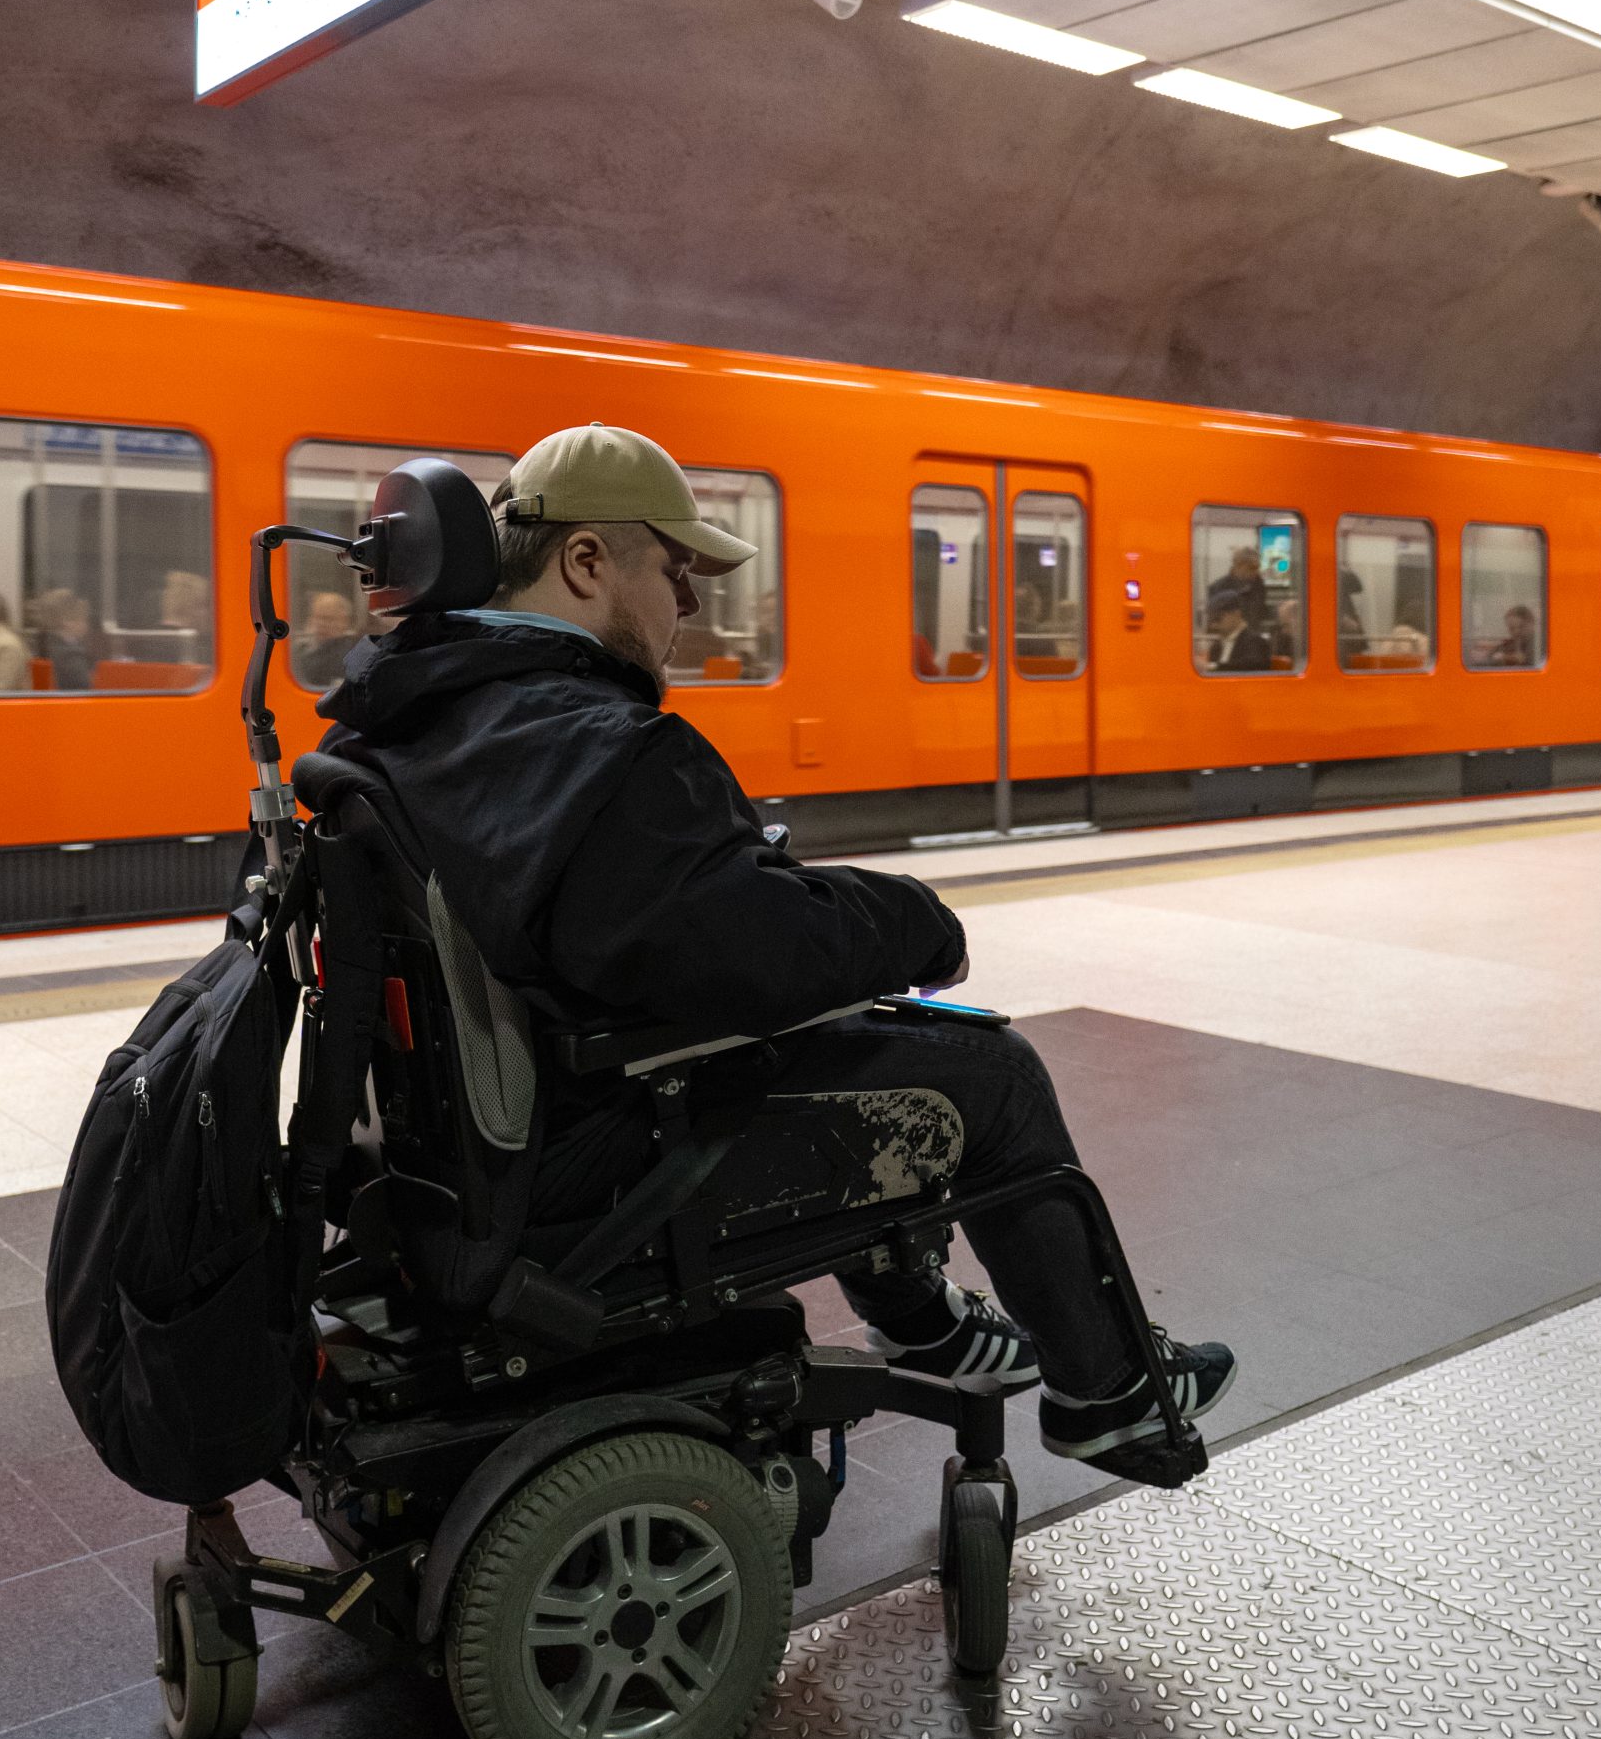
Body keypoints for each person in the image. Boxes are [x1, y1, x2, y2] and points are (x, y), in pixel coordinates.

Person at [318, 423, 1233, 1479]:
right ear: (584, 562)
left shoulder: (409, 718)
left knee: (848, 1036)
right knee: (987, 1075)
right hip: (598, 1159)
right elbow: (747, 957)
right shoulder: (595, 739)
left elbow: (664, 924)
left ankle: (926, 1325)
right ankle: (1107, 1394)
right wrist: (915, 918)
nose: (691, 604)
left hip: (472, 1155)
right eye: (673, 568)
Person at [30, 587, 95, 691]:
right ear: (67, 621)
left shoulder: (43, 646)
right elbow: (86, 686)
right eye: (82, 619)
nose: (86, 625)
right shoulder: (71, 655)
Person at [294, 588, 360, 687]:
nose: (320, 624)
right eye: (316, 617)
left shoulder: (347, 655)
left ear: (344, 622)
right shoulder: (301, 647)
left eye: (328, 619)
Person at [1205, 544, 1270, 633]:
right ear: (1238, 565)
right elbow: (1213, 622)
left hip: (1251, 639)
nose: (1256, 572)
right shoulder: (1218, 588)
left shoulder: (1259, 587)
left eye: (1258, 567)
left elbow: (1260, 614)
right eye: (1252, 568)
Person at [1202, 594, 1271, 673]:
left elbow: (1251, 667)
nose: (1214, 624)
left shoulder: (1256, 642)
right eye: (1212, 618)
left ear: (1236, 614)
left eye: (1218, 617)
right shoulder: (1216, 647)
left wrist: (1214, 667)